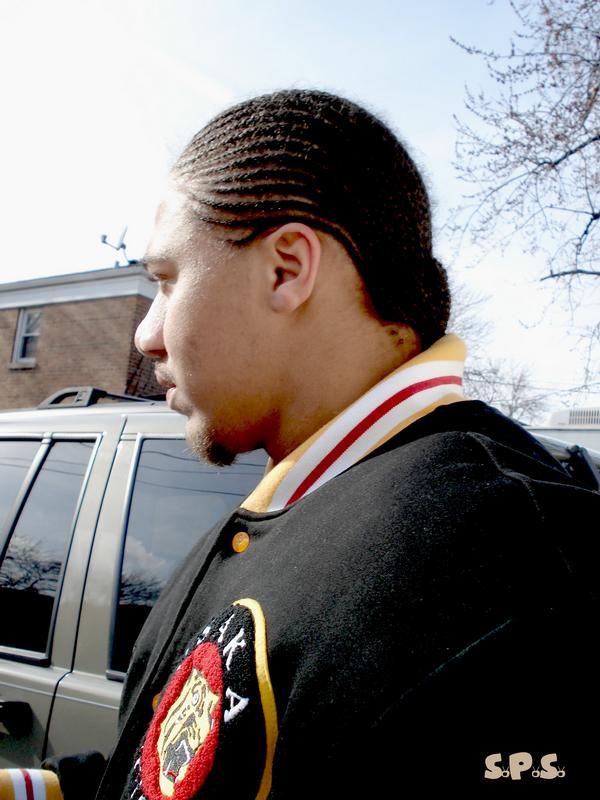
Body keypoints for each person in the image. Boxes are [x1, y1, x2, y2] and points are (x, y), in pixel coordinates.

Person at [22, 88, 600, 799]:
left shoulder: (511, 562)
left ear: (287, 269)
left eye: (167, 281)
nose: (148, 335)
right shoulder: (300, 511)